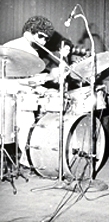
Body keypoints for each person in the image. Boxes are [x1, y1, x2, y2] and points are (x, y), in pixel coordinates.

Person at [3, 15, 55, 168]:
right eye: (40, 36)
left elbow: (29, 79)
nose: (43, 42)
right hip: (7, 95)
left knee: (28, 126)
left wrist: (45, 90)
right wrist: (47, 77)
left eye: (46, 39)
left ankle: (27, 161)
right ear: (28, 32)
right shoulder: (11, 49)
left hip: (22, 96)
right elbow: (15, 80)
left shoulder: (34, 53)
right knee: (21, 128)